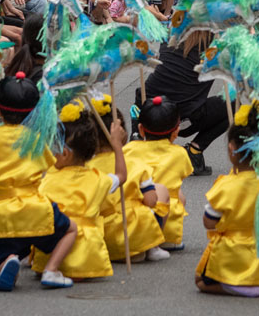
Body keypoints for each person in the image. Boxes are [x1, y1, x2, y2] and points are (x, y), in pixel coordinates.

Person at [0, 74, 77, 291]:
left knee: (4, 258)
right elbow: (49, 169)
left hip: (1, 212)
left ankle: (10, 261)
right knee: (70, 230)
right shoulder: (35, 138)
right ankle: (52, 270)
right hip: (35, 210)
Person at [195, 103, 259, 297]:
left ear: (232, 149)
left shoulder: (226, 186)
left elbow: (209, 222)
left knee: (200, 281)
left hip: (233, 253)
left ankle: (237, 287)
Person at [34, 104, 126, 280]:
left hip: (49, 249)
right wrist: (117, 146)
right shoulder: (97, 178)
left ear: (66, 154)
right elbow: (121, 176)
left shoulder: (49, 179)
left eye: (54, 148)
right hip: (86, 254)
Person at [144, 30, 230, 177]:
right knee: (233, 103)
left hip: (155, 115)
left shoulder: (169, 34)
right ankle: (195, 150)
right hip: (187, 118)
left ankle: (146, 146)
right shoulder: (215, 45)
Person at [92, 98, 167, 263]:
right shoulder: (133, 163)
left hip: (101, 238)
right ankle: (153, 246)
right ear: (123, 134)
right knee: (161, 190)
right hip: (133, 235)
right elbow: (150, 201)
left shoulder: (87, 168)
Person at [126, 96, 193, 248]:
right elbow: (184, 174)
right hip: (166, 221)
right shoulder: (180, 154)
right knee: (179, 194)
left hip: (132, 219)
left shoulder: (128, 149)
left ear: (141, 129)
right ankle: (167, 237)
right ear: (176, 131)